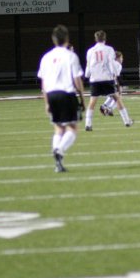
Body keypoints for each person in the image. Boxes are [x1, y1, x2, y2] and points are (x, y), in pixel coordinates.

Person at [38, 25, 85, 173]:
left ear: (53, 39)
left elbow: (43, 82)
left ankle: (58, 162)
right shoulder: (71, 56)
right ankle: (59, 150)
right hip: (66, 93)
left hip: (51, 94)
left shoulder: (46, 57)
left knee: (58, 128)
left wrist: (46, 102)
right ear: (67, 38)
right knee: (72, 127)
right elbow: (77, 80)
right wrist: (82, 99)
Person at [84, 30, 132, 130]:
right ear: (105, 39)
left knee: (92, 102)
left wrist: (87, 75)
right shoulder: (109, 49)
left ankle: (88, 124)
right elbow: (111, 63)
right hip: (106, 78)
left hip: (95, 79)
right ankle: (127, 121)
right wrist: (115, 73)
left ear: (95, 39)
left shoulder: (90, 51)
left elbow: (89, 65)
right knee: (117, 99)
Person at [100, 51, 124, 116]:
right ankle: (109, 108)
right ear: (117, 58)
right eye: (121, 58)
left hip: (103, 81)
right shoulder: (118, 65)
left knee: (111, 96)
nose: (122, 59)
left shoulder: (110, 63)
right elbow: (115, 76)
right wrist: (118, 86)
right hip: (111, 81)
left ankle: (104, 106)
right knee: (118, 97)